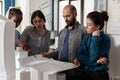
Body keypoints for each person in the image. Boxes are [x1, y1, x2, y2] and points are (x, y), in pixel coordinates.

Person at [43, 4, 86, 80]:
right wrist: (49, 55)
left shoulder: (83, 31)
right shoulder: (62, 32)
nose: (66, 19)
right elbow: (58, 51)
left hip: (76, 73)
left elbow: (87, 51)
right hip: (61, 71)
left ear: (75, 14)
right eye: (64, 16)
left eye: (68, 16)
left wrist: (80, 59)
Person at [76, 11, 110, 80]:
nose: (86, 27)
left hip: (99, 74)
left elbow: (94, 57)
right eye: (86, 24)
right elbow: (79, 56)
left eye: (89, 25)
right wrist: (95, 63)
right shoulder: (86, 38)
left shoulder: (106, 39)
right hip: (86, 72)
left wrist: (95, 38)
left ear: (97, 26)